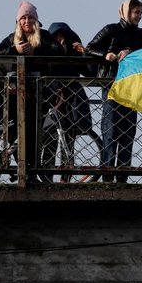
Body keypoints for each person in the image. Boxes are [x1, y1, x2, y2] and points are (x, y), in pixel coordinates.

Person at [0, 1, 62, 183]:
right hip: (7, 97)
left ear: (37, 21)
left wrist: (36, 49)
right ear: (18, 21)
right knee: (6, 134)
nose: (27, 21)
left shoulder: (44, 36)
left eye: (31, 18)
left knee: (33, 137)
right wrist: (15, 50)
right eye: (24, 18)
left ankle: (30, 173)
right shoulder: (12, 38)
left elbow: (58, 51)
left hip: (35, 97)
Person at [86, 0, 142, 183]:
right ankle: (107, 177)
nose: (138, 16)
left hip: (132, 88)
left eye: (140, 12)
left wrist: (130, 50)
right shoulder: (111, 30)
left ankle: (122, 176)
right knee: (111, 130)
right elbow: (89, 48)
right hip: (112, 85)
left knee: (128, 132)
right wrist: (106, 54)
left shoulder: (141, 35)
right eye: (135, 12)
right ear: (125, 12)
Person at [44, 22, 95, 180]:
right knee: (50, 137)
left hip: (72, 100)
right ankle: (46, 176)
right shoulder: (47, 53)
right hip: (53, 97)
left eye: (63, 37)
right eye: (58, 38)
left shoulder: (74, 53)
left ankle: (65, 177)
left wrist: (85, 53)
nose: (61, 41)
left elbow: (90, 73)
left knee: (68, 139)